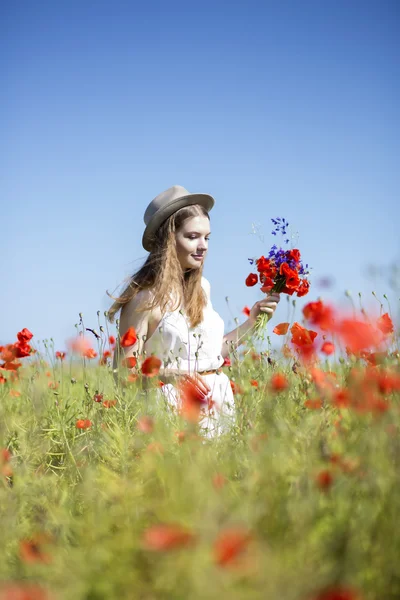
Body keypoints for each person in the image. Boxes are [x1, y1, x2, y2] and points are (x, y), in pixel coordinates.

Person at [108, 185, 280, 436]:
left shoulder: (202, 288)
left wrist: (251, 324)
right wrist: (171, 375)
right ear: (168, 239)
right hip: (171, 415)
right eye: (192, 237)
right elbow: (124, 374)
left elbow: (211, 354)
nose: (203, 246)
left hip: (219, 407)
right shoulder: (143, 298)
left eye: (207, 237)